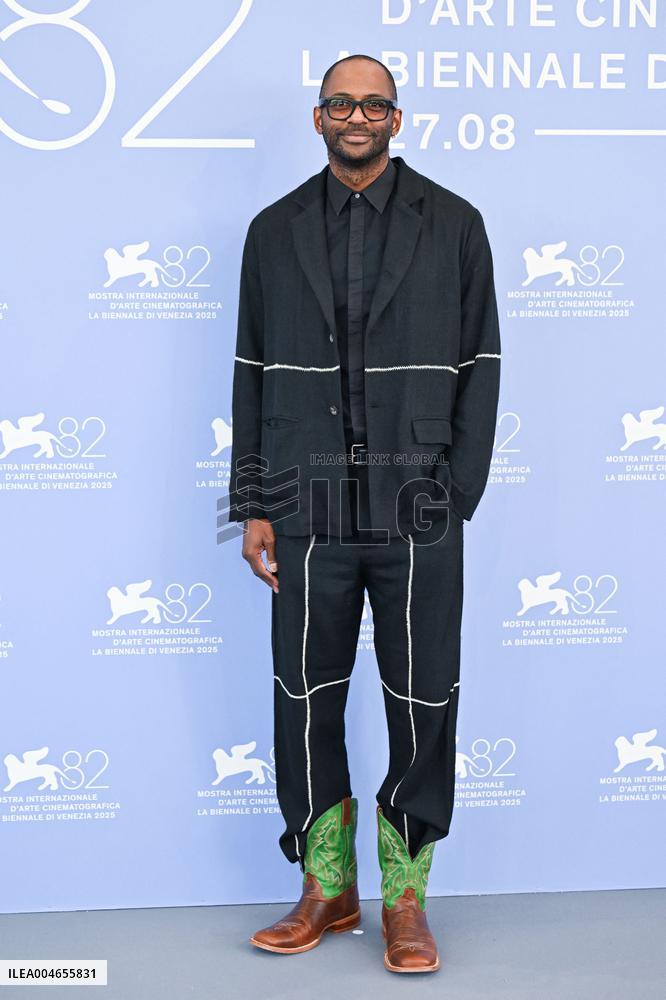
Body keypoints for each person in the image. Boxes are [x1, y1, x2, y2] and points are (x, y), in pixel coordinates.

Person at [228, 53, 501, 973]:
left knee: (422, 699)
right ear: (318, 119)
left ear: (397, 117)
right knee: (305, 697)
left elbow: (482, 368)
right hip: (304, 509)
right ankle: (327, 888)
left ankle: (408, 899)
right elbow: (253, 371)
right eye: (341, 103)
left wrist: (456, 492)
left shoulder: (456, 224)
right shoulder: (272, 232)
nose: (357, 116)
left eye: (373, 104)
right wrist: (257, 502)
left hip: (419, 505)